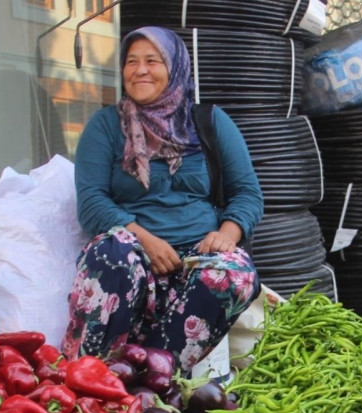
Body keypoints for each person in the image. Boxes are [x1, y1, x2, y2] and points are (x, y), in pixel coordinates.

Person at [63, 26, 262, 372]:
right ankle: (94, 376)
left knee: (235, 273)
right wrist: (146, 241)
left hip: (196, 258)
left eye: (152, 61)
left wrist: (227, 235)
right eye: (131, 61)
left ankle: (154, 376)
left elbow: (247, 193)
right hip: (134, 253)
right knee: (112, 252)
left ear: (175, 67)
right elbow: (92, 202)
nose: (140, 70)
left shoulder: (209, 122)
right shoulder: (106, 126)